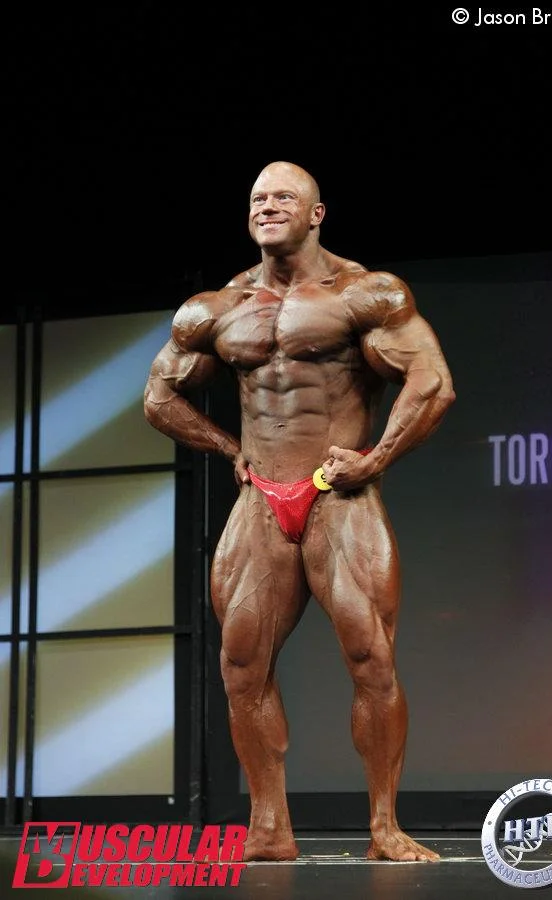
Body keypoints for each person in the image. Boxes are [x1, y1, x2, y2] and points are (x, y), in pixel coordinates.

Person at [144, 161, 455, 862]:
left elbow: (432, 383)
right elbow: (159, 398)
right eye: (258, 198)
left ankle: (384, 827)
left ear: (317, 214)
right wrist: (228, 447)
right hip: (261, 499)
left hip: (338, 495)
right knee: (240, 666)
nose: (268, 206)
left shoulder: (364, 293)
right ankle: (269, 827)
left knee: (371, 658)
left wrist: (374, 459)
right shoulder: (215, 309)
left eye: (284, 197)